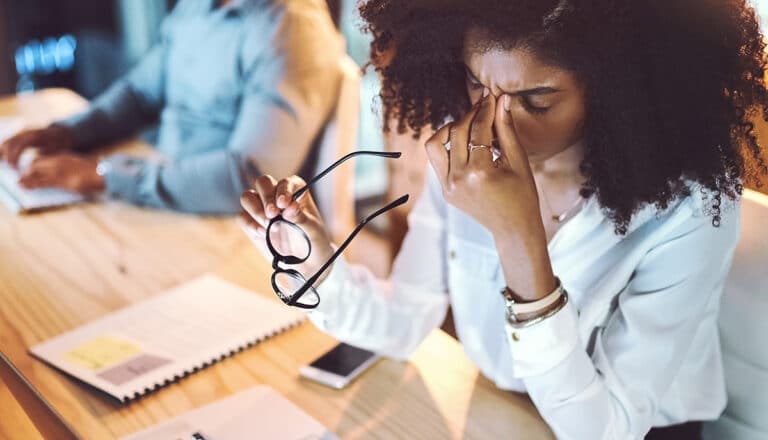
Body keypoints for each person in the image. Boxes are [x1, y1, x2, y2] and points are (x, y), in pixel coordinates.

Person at [239, 0, 768, 438]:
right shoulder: (467, 155)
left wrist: (519, 237)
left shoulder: (686, 210)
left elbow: (606, 428)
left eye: (535, 100)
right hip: (496, 410)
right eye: (477, 86)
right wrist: (309, 258)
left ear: (617, 92)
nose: (493, 125)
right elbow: (403, 323)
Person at [0, 0, 343, 214]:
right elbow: (139, 93)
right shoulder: (200, 6)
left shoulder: (292, 28)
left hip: (228, 224)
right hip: (163, 191)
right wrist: (68, 133)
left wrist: (104, 176)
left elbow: (247, 177)